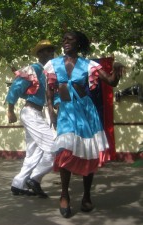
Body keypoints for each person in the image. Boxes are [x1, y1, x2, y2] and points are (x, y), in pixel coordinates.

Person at [44, 31, 125, 218]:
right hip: (66, 112)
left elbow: (111, 81)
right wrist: (51, 111)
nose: (65, 42)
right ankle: (64, 195)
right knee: (65, 151)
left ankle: (87, 197)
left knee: (89, 153)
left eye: (69, 40)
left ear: (78, 44)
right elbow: (49, 91)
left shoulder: (89, 65)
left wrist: (117, 71)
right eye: (63, 39)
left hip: (86, 112)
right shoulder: (53, 65)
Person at [5, 40, 56, 198]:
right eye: (46, 50)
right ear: (40, 54)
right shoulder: (34, 68)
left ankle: (18, 184)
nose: (50, 53)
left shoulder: (49, 73)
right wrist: (10, 111)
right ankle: (35, 179)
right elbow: (16, 87)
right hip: (31, 113)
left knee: (33, 153)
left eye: (51, 50)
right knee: (54, 148)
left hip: (36, 113)